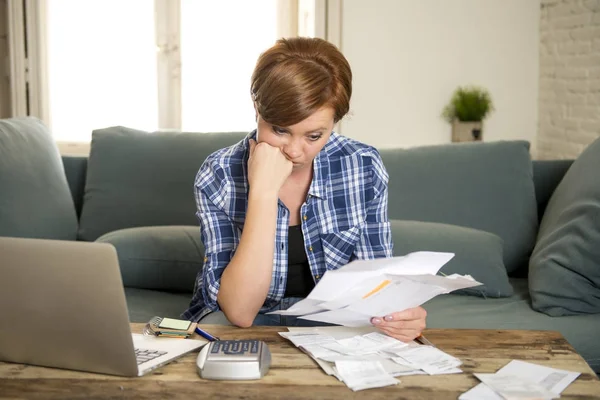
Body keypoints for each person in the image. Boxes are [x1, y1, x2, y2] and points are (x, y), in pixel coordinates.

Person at [182, 37, 426, 342]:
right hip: (243, 318)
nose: (295, 151)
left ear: (335, 122)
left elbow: (374, 286)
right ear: (257, 107)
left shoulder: (362, 165)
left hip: (331, 317)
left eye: (313, 135)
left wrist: (399, 316)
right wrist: (263, 192)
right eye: (280, 130)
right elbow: (239, 312)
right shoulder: (219, 173)